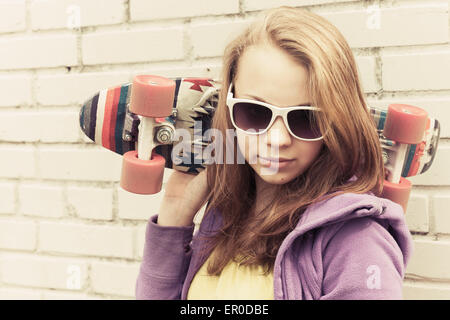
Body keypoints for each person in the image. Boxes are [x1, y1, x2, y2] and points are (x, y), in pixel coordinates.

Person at [135, 6, 414, 300]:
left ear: (337, 121)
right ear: (229, 108)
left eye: (306, 119)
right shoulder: (224, 215)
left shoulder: (357, 239)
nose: (278, 139)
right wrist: (173, 220)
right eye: (255, 113)